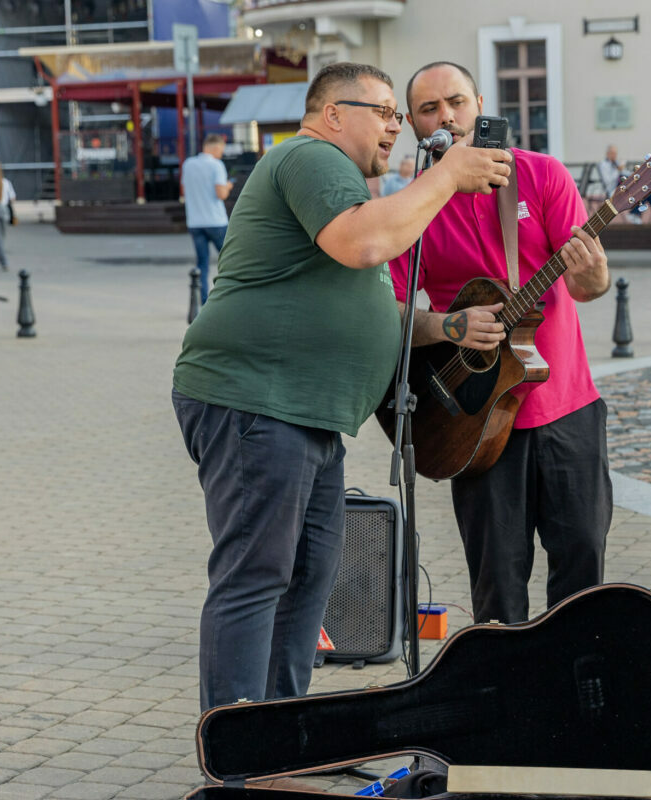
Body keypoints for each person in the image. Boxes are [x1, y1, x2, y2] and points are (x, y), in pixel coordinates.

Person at [171, 62, 511, 711]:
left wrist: (447, 325)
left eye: (394, 115)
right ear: (332, 113)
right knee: (258, 576)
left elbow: (373, 305)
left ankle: (283, 736)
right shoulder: (312, 158)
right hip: (258, 401)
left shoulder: (345, 188)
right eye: (383, 111)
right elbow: (365, 244)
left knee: (305, 581)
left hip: (305, 413)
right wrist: (446, 175)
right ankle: (238, 753)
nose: (395, 126)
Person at [394, 61, 612, 625]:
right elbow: (386, 312)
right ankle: (506, 706)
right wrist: (449, 327)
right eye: (429, 109)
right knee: (497, 587)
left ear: (480, 104)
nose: (447, 116)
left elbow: (589, 288)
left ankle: (578, 697)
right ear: (418, 128)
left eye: (457, 102)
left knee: (582, 569)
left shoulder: (539, 175)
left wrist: (591, 271)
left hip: (566, 408)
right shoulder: (413, 206)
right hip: (475, 420)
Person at [182, 133, 233, 304]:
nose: (221, 154)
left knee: (202, 265)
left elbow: (184, 189)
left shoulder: (188, 164)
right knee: (231, 259)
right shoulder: (216, 165)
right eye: (221, 150)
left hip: (195, 222)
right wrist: (228, 186)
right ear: (216, 147)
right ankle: (231, 297)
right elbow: (221, 194)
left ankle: (203, 303)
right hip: (216, 221)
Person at [598, 145, 651, 223]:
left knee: (647, 190)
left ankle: (640, 214)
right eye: (612, 153)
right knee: (645, 190)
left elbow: (624, 173)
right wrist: (618, 170)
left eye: (615, 153)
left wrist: (636, 174)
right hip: (614, 191)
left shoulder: (616, 163)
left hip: (625, 189)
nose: (614, 155)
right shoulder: (603, 164)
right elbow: (608, 181)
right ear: (608, 153)